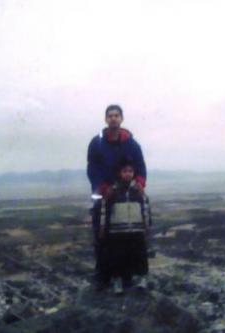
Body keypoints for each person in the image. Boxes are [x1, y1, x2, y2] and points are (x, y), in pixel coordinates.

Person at [87, 104, 147, 289]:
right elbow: (92, 169)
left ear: (121, 119)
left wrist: (139, 183)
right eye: (110, 115)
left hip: (127, 194)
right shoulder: (96, 143)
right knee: (102, 235)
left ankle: (126, 275)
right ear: (105, 119)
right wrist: (103, 188)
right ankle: (103, 275)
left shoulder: (131, 144)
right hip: (104, 195)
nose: (113, 118)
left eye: (116, 115)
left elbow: (140, 166)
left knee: (128, 237)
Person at [100, 161, 151, 294]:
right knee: (118, 256)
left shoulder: (138, 190)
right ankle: (118, 282)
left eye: (130, 171)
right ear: (119, 173)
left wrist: (146, 224)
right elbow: (104, 209)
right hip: (117, 230)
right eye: (125, 171)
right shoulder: (113, 191)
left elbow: (145, 206)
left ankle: (142, 279)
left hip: (137, 228)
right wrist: (102, 227)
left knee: (140, 254)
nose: (128, 174)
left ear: (134, 173)